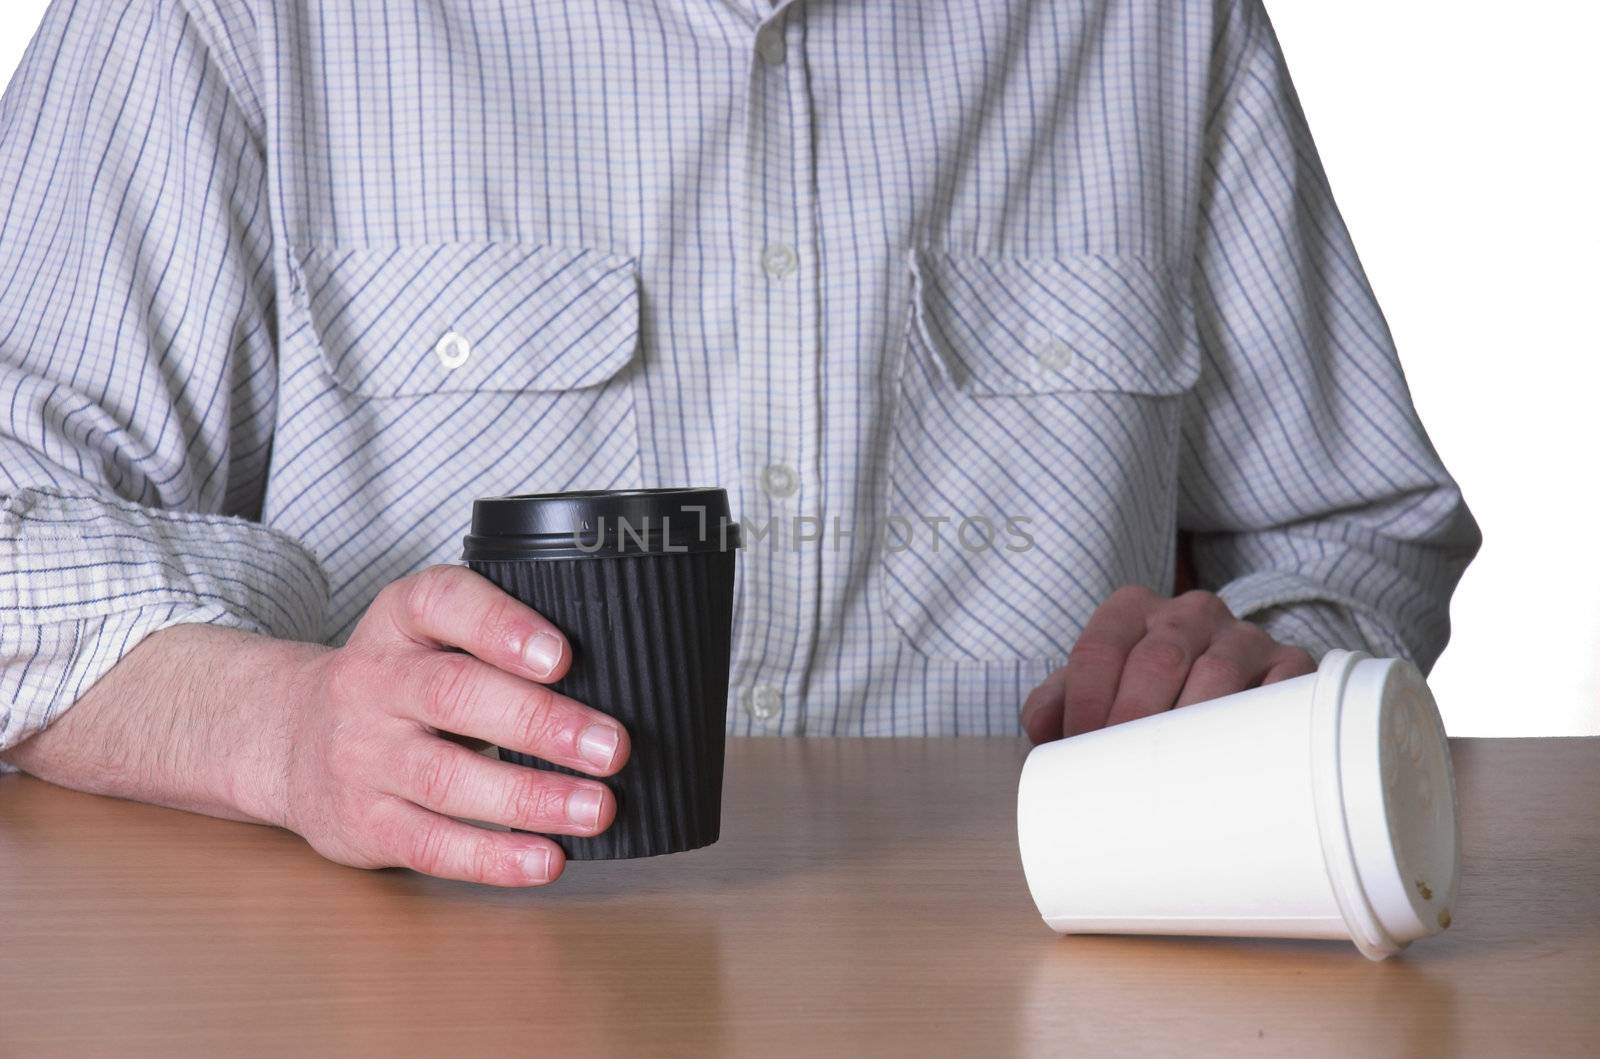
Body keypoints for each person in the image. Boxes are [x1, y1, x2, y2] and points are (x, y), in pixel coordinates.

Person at [0, 0, 1478, 886]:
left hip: (1039, 996)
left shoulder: (1159, 26)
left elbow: (1355, 534)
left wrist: (1262, 671)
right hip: (406, 999)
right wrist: (285, 732)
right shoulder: (226, 18)